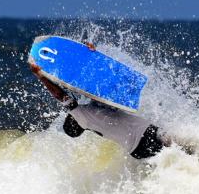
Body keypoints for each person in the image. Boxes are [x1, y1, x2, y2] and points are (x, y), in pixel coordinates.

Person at [28, 61, 189, 159]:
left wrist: (90, 55)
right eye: (69, 117)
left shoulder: (92, 114)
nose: (69, 115)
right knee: (183, 149)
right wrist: (40, 75)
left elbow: (98, 88)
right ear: (75, 122)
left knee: (177, 157)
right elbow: (60, 95)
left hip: (138, 149)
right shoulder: (82, 116)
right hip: (146, 136)